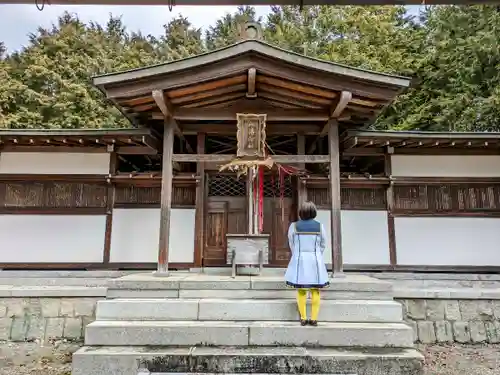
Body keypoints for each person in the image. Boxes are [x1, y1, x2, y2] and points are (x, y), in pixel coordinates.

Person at [285, 201, 329, 326]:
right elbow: (323, 244)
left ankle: (303, 318)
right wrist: (317, 254)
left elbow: (291, 243)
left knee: (301, 290)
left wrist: (297, 254)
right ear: (314, 212)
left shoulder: (294, 226)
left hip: (300, 260)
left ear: (301, 212)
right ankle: (314, 319)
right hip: (315, 259)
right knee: (315, 290)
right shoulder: (320, 226)